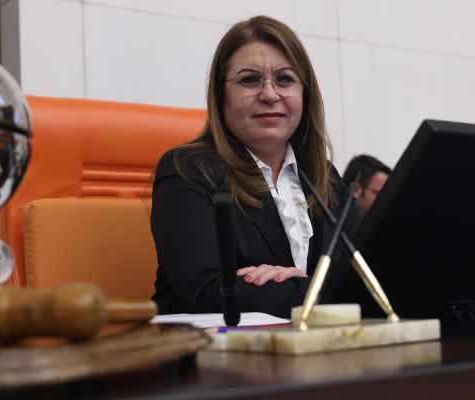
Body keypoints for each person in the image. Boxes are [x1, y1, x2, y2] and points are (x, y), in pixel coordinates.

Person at [149, 16, 362, 318]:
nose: (270, 94)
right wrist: (318, 289)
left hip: (308, 343)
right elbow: (211, 294)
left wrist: (308, 286)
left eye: (285, 79)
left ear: (305, 93)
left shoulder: (323, 176)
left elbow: (372, 275)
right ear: (221, 95)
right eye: (249, 80)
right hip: (207, 345)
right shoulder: (187, 171)